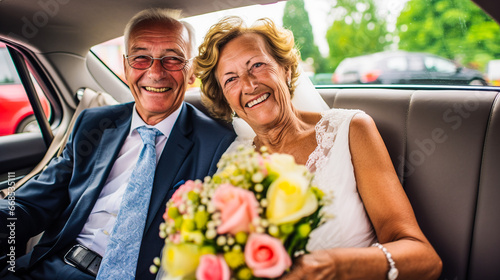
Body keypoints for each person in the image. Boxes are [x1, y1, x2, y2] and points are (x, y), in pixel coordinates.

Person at [195, 16, 442, 279]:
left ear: (285, 69)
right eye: (231, 79)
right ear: (225, 97)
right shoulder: (229, 162)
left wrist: (334, 265)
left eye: (257, 65)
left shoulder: (350, 130)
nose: (248, 85)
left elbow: (423, 257)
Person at [0, 9, 235, 280]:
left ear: (191, 71)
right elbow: (32, 202)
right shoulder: (93, 124)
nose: (155, 72)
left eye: (172, 59)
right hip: (53, 268)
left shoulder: (217, 142)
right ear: (125, 67)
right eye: (140, 58)